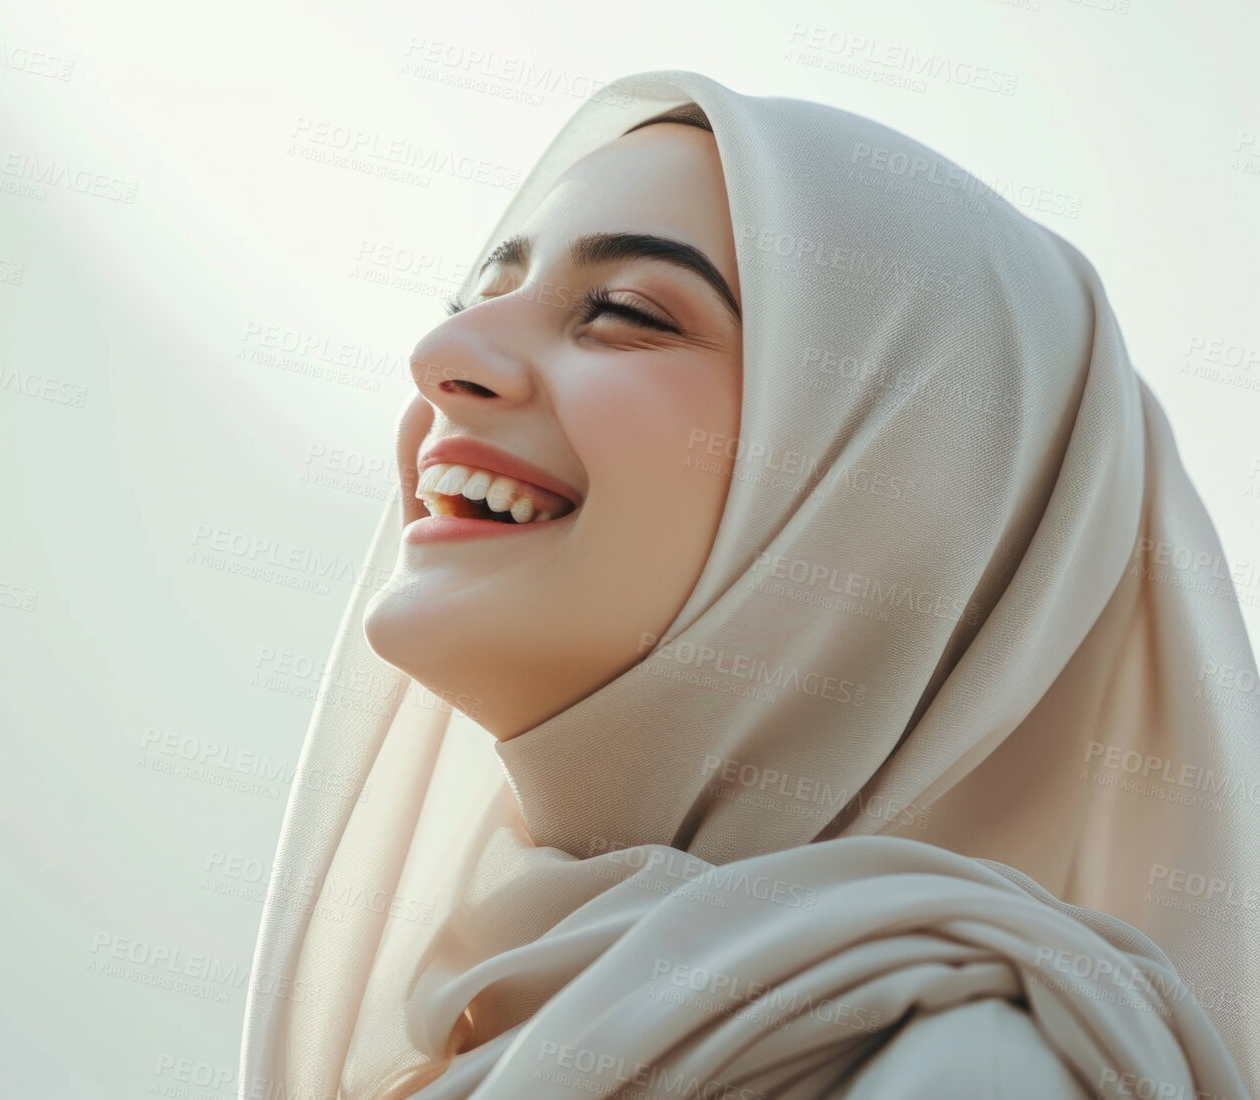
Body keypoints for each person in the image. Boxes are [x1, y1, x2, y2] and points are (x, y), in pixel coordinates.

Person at [238, 71, 1259, 1099]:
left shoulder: (964, 1060)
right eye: (477, 299)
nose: (441, 354)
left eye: (626, 311)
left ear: (888, 491)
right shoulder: (463, 1041)